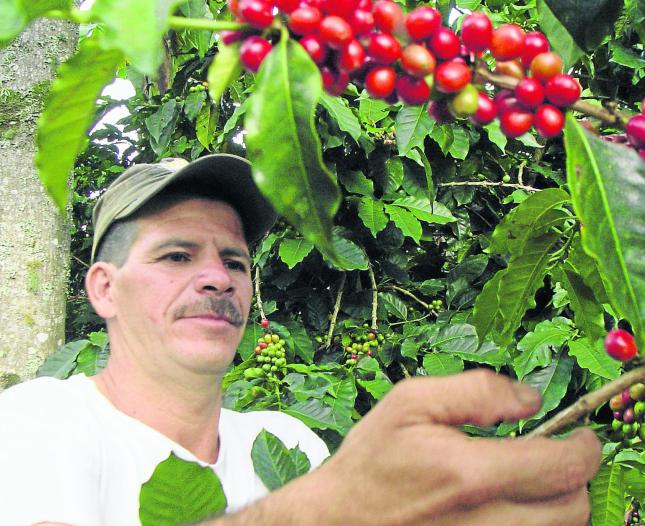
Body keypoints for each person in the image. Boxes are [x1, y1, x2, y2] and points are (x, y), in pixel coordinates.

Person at [0, 154, 601, 526]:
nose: (217, 277)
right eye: (177, 255)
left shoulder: (284, 441)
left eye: (235, 262)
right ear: (104, 289)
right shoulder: (37, 420)